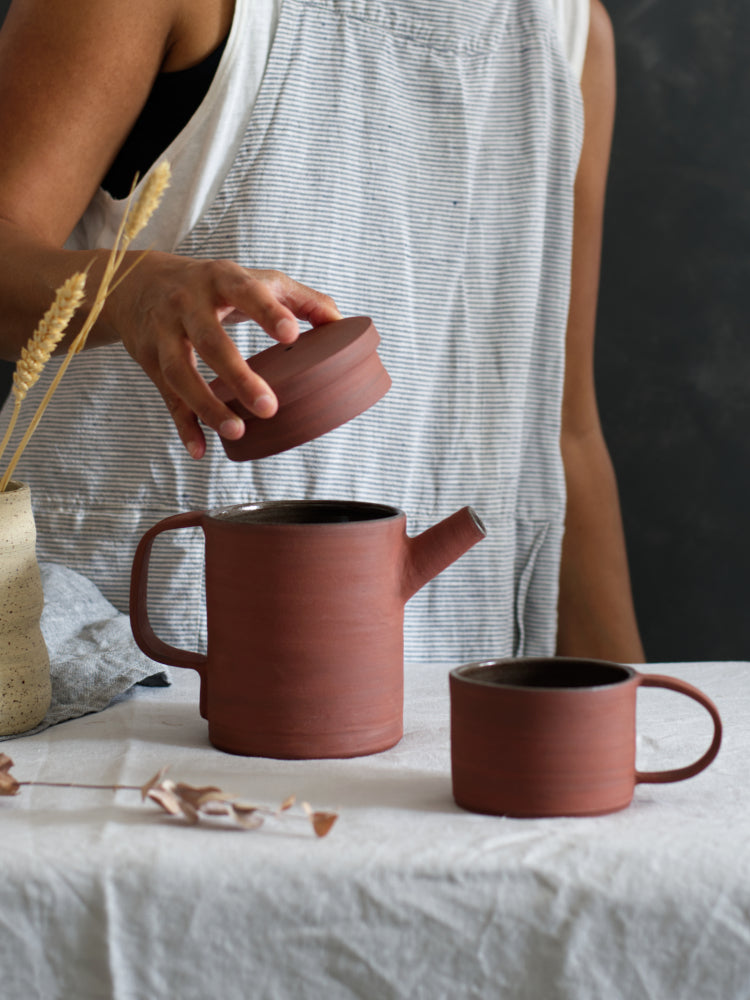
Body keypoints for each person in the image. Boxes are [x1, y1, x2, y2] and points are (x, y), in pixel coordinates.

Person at [0, 0, 645, 664]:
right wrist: (132, 291)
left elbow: (564, 433)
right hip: (118, 672)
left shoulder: (567, 31)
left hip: (439, 694)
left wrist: (635, 721)